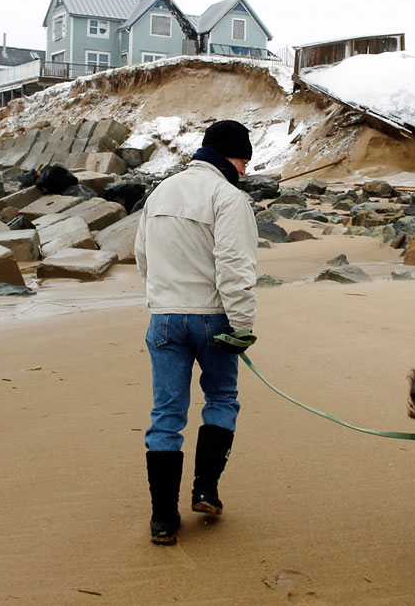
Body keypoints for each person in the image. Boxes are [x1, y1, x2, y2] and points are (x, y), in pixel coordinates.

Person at [134, 119, 258, 545]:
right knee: (221, 398)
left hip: (164, 316)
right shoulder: (229, 197)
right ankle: (205, 489)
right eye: (244, 161)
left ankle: (163, 519)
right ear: (230, 157)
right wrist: (242, 326)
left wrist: (160, 299)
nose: (244, 170)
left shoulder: (161, 191)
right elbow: (234, 267)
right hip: (213, 318)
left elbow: (142, 255)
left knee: (166, 415)